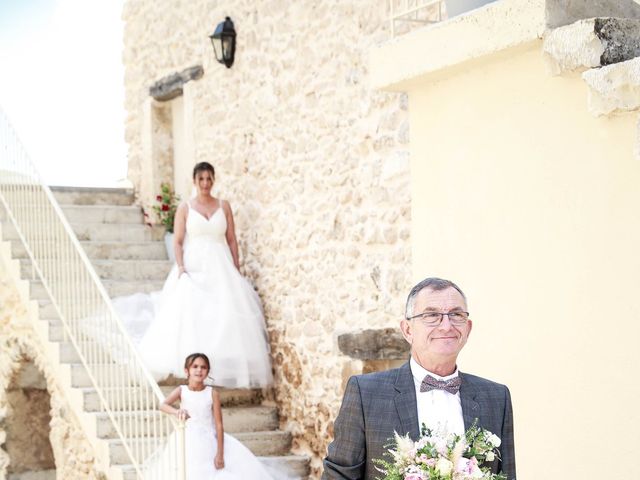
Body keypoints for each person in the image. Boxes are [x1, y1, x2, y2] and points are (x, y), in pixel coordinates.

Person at [322, 277, 516, 480]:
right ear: (407, 330)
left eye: (456, 314)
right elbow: (338, 476)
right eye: (432, 315)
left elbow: (507, 475)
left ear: (467, 328)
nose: (446, 326)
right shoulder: (366, 393)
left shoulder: (496, 397)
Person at [115, 162, 273, 388]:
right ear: (195, 181)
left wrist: (236, 269)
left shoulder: (223, 206)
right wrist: (180, 267)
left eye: (209, 179)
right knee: (192, 313)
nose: (206, 184)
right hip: (194, 265)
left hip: (221, 265)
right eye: (201, 179)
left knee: (223, 313)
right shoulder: (185, 208)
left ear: (214, 180)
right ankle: (192, 367)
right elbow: (178, 241)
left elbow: (231, 239)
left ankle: (219, 364)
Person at [160, 353, 276, 479]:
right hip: (186, 437)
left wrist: (220, 454)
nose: (199, 370)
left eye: (203, 367)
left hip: (208, 438)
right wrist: (177, 412)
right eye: (195, 366)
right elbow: (163, 405)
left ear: (208, 371)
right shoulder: (182, 390)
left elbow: (219, 424)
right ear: (186, 370)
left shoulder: (212, 393)